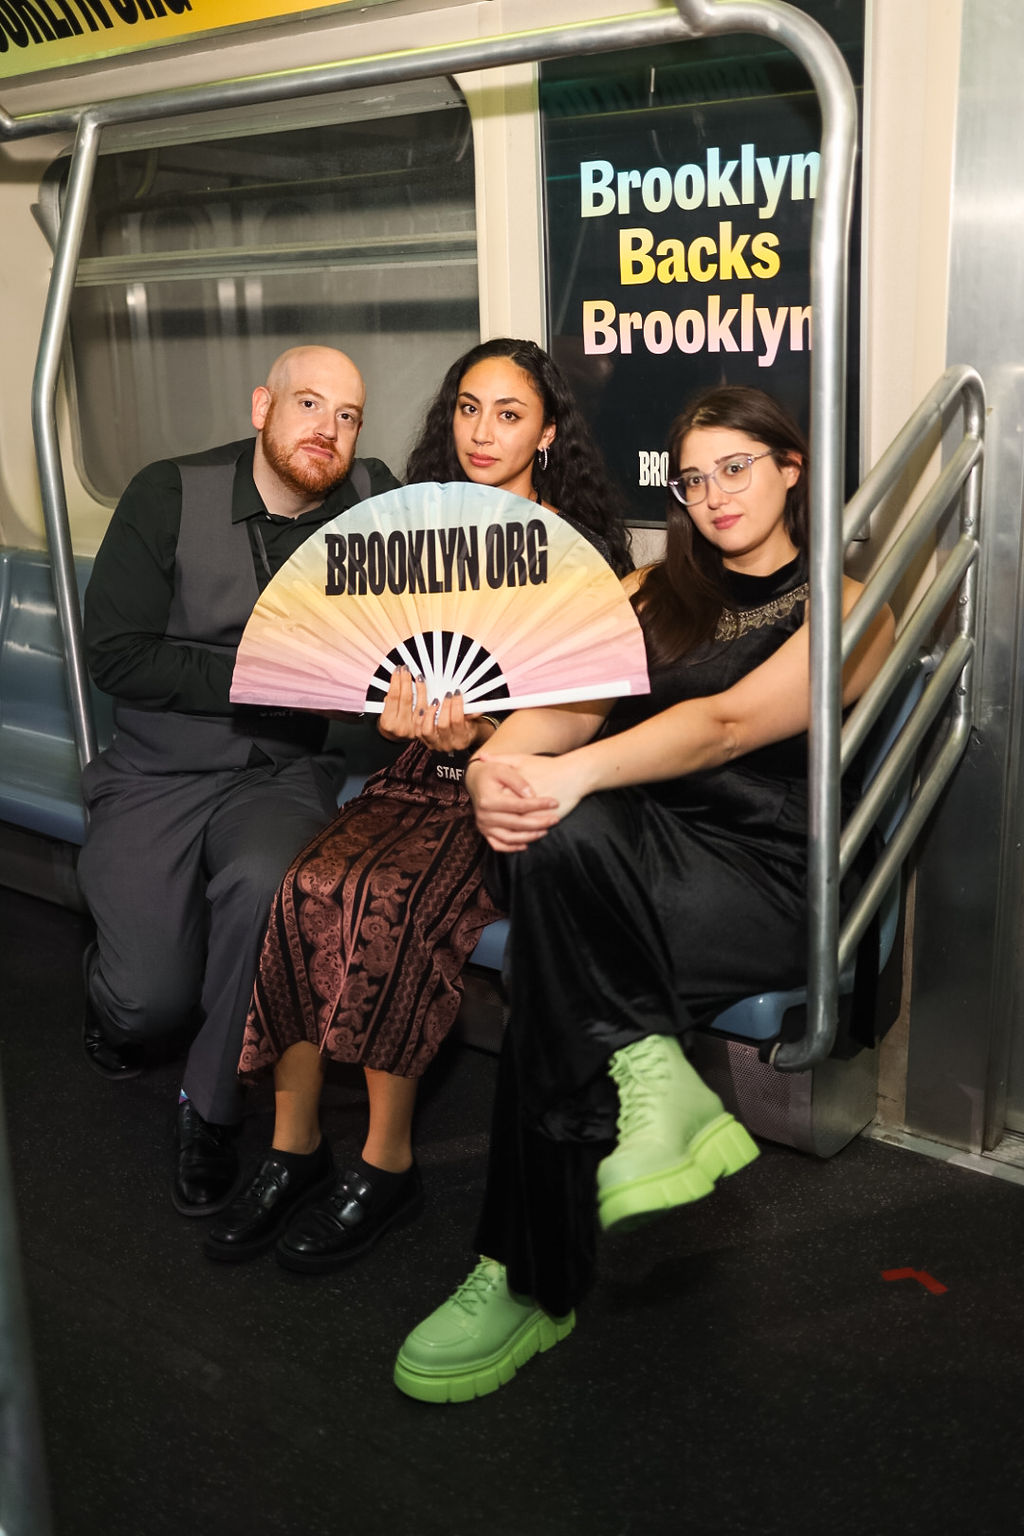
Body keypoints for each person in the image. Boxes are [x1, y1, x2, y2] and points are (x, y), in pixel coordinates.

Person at [391, 384, 895, 1403]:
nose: (714, 496)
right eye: (695, 480)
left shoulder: (850, 608)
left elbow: (728, 724)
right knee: (553, 841)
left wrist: (566, 778)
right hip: (632, 855)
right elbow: (567, 710)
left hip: (766, 874)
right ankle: (649, 1070)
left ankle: (525, 1276)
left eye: (736, 469)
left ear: (791, 469)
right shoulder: (651, 591)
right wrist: (496, 765)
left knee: (554, 949)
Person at [203, 337, 632, 1268]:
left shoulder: (580, 555)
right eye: (469, 409)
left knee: (387, 898)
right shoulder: (415, 537)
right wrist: (396, 716)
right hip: (412, 772)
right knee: (302, 884)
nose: (483, 432)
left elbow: (585, 718)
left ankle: (386, 1162)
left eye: (510, 415)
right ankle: (292, 1145)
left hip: (510, 789)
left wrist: (483, 736)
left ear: (547, 433)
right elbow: (371, 661)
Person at [78, 345, 400, 1216]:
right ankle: (113, 983)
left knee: (267, 882)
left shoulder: (373, 502)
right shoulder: (166, 493)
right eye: (308, 404)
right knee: (146, 1006)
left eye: (347, 416)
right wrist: (276, 675)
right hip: (159, 766)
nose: (327, 429)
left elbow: (417, 617)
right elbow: (117, 656)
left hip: (277, 772)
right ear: (262, 407)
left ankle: (210, 1108)